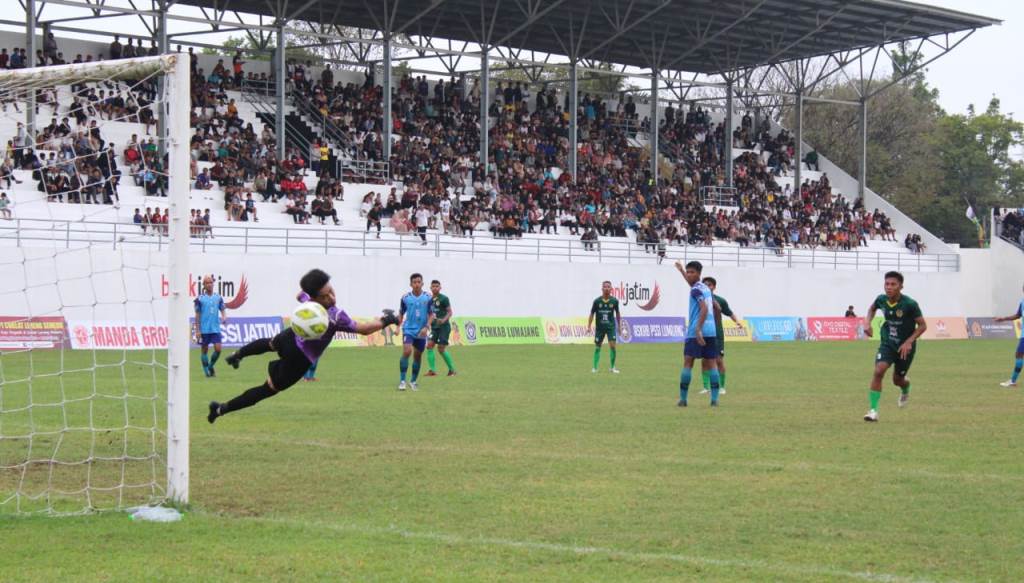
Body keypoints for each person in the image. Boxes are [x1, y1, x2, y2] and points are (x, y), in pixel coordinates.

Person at [209, 269, 398, 423]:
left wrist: (306, 292)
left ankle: (238, 355)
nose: (332, 298)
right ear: (316, 298)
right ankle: (220, 409)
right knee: (267, 389)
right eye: (325, 296)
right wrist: (386, 321)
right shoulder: (336, 316)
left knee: (270, 343)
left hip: (292, 337)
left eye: (331, 291)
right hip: (300, 359)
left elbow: (300, 294)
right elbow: (363, 329)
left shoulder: (308, 301)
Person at [862, 271, 927, 422]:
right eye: (887, 284)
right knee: (879, 371)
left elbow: (923, 326)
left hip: (906, 347)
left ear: (901, 286)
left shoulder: (910, 304)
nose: (889, 287)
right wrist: (867, 322)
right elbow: (872, 309)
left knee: (898, 380)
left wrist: (909, 341)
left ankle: (905, 387)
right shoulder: (881, 299)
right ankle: (873, 411)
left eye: (893, 284)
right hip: (888, 342)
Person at [675, 260, 719, 407]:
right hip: (711, 331)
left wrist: (698, 329)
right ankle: (714, 400)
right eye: (688, 272)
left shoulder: (695, 290)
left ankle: (683, 399)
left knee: (688, 363)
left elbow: (704, 308)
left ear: (699, 274)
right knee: (712, 363)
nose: (689, 274)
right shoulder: (705, 288)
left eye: (691, 272)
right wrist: (681, 271)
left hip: (696, 330)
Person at [701, 277, 743, 395]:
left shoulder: (720, 301)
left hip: (717, 335)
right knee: (704, 361)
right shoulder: (699, 299)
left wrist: (737, 321)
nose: (707, 287)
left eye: (709, 285)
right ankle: (705, 387)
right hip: (704, 333)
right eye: (704, 285)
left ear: (714, 287)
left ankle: (722, 387)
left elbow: (729, 312)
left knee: (718, 360)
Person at [397, 273, 434, 391]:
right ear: (411, 284)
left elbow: (432, 314)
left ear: (422, 283)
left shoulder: (428, 297)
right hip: (408, 329)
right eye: (414, 282)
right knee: (407, 351)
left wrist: (427, 327)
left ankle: (413, 381)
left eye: (419, 282)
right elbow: (401, 313)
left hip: (421, 331)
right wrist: (398, 326)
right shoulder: (405, 298)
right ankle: (402, 381)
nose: (417, 284)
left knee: (417, 356)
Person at [193, 275, 227, 377]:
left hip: (215, 328)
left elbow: (222, 308)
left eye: (211, 282)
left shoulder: (218, 297)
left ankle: (210, 366)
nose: (209, 284)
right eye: (207, 283)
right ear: (203, 285)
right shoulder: (200, 299)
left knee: (218, 349)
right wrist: (198, 330)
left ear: (213, 284)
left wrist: (224, 316)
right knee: (204, 350)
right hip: (204, 329)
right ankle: (206, 372)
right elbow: (197, 315)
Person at [993, 283, 1023, 388]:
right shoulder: (1022, 302)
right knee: (1019, 355)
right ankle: (1013, 381)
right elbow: (1018, 315)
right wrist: (1004, 319)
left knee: (1019, 355)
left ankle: (1013, 381)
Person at [587, 281, 621, 373]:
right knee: (598, 347)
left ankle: (612, 367)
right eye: (605, 287)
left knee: (613, 346)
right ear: (602, 289)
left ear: (611, 289)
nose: (606, 288)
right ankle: (595, 367)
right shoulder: (597, 301)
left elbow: (617, 314)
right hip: (600, 328)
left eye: (608, 287)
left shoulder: (614, 301)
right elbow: (592, 313)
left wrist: (619, 326)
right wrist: (589, 326)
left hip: (611, 327)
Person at [424, 280, 456, 377]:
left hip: (444, 327)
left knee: (441, 349)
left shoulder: (444, 299)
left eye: (437, 286)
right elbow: (428, 313)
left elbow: (450, 312)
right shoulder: (429, 300)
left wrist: (443, 320)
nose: (435, 288)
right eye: (433, 286)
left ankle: (452, 370)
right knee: (429, 346)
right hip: (434, 327)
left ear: (440, 287)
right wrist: (427, 323)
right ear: (430, 288)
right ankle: (432, 371)